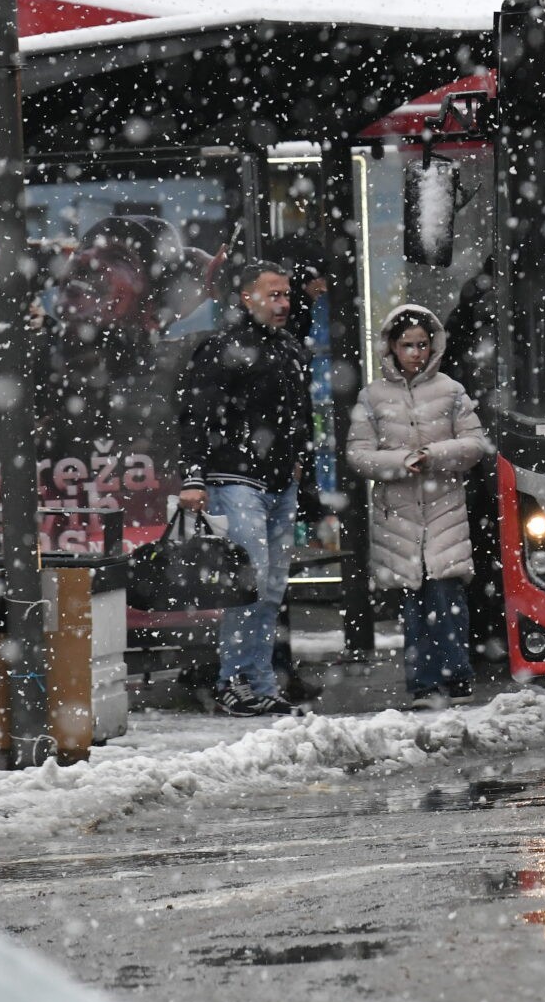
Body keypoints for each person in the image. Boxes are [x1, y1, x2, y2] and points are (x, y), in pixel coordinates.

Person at [176, 261, 314, 716]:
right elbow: (197, 414)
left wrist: (298, 462)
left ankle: (256, 679)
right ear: (246, 297)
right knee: (251, 584)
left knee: (269, 588)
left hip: (272, 478)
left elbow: (299, 414)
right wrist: (194, 475)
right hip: (238, 477)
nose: (283, 303)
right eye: (273, 295)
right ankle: (235, 680)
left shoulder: (287, 347)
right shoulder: (224, 347)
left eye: (286, 294)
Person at [346, 304, 495, 708]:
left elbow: (474, 444)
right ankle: (424, 683)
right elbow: (358, 455)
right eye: (408, 345)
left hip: (443, 509)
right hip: (399, 514)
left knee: (446, 593)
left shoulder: (451, 390)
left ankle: (456, 676)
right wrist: (400, 462)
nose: (416, 353)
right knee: (413, 602)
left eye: (422, 345)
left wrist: (434, 455)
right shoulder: (372, 397)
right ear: (392, 347)